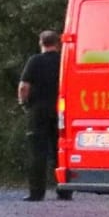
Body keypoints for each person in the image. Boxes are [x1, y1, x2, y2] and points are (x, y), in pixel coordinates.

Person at [18, 29, 68, 202]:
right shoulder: (64, 61)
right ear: (58, 43)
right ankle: (64, 190)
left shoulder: (35, 61)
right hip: (61, 111)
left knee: (37, 153)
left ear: (41, 43)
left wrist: (23, 103)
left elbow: (24, 87)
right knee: (60, 150)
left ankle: (36, 192)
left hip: (38, 111)